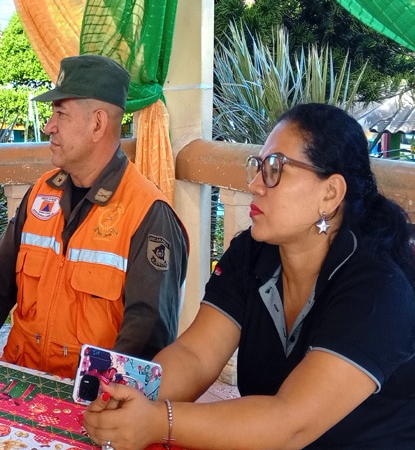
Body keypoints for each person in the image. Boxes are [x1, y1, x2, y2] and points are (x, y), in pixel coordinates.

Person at [83, 103, 415, 449]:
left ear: (330, 193)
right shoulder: (254, 253)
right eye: (257, 166)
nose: (255, 184)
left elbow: (289, 424)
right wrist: (129, 398)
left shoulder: (378, 290)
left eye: (275, 169)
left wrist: (157, 421)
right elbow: (195, 356)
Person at [0, 54, 189, 379]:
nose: (48, 126)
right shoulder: (42, 193)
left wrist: (100, 407)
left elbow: (147, 335)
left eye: (61, 113)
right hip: (18, 384)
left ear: (98, 124)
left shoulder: (148, 214)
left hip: (84, 403)